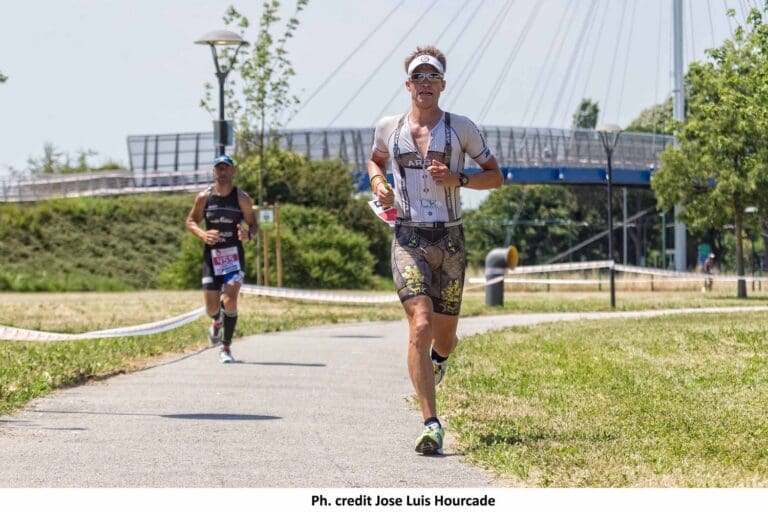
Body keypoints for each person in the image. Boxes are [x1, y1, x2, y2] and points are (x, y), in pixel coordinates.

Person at [367, 46, 503, 455]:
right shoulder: (389, 128)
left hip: (451, 242)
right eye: (418, 77)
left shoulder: (461, 128)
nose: (425, 84)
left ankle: (439, 360)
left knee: (444, 338)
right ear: (408, 85)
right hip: (408, 237)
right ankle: (431, 424)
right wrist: (377, 183)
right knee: (420, 326)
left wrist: (458, 179)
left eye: (432, 77)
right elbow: (375, 160)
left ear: (442, 85)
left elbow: (495, 177)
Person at [186, 154, 257, 363]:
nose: (223, 172)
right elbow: (190, 221)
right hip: (212, 257)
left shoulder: (242, 198)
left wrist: (248, 234)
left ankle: (226, 348)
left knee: (230, 299)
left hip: (234, 257)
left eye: (227, 168)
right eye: (219, 168)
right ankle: (217, 322)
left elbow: (254, 225)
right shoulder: (204, 197)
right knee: (212, 307)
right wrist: (203, 234)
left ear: (233, 171)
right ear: (213, 172)